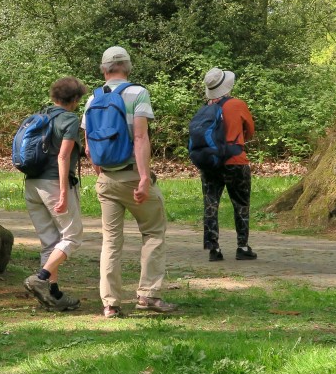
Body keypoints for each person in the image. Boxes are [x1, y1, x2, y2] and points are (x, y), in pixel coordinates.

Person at [83, 46, 175, 318]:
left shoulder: (92, 99)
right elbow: (140, 137)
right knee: (153, 233)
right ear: (128, 67)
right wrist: (145, 177)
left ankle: (110, 304)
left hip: (106, 179)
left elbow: (89, 147)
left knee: (111, 241)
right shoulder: (138, 93)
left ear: (104, 70)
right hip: (133, 175)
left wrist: (99, 171)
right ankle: (148, 295)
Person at [22, 76, 89, 311]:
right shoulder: (69, 119)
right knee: (72, 236)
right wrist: (63, 193)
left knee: (50, 242)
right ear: (75, 99)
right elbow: (62, 157)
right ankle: (41, 278)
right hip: (53, 184)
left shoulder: (41, 114)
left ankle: (53, 294)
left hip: (31, 184)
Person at [197, 67, 257, 262]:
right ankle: (242, 246)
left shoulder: (205, 109)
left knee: (211, 204)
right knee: (240, 204)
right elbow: (250, 131)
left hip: (210, 162)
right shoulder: (237, 105)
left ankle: (213, 249)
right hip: (236, 161)